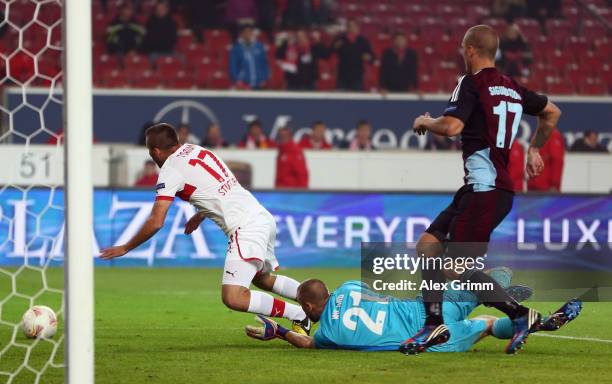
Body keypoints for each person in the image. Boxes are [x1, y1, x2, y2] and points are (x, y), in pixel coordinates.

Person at [409, 25, 562, 354]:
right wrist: (535, 148)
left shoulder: (470, 82)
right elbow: (551, 112)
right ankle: (434, 324)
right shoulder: (512, 88)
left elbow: (451, 126)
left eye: (462, 49)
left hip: (485, 190)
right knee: (428, 246)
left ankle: (519, 315)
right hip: (482, 189)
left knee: (454, 269)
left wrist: (425, 121)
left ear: (470, 50)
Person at [100, 123, 311, 335]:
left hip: (245, 227)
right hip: (260, 216)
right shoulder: (196, 149)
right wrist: (201, 214)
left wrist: (126, 247)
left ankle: (299, 314)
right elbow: (219, 185)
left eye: (149, 151)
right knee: (261, 278)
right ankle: (323, 301)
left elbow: (156, 221)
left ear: (155, 151)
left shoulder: (170, 169)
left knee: (233, 296)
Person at [245, 277, 582, 351]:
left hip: (429, 341)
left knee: (487, 327)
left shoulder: (327, 335)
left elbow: (307, 345)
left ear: (307, 308)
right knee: (485, 283)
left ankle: (533, 323)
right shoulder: (347, 287)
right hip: (430, 309)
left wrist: (279, 331)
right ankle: (513, 301)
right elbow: (376, 296)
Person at [333, 20, 374, 91]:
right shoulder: (340, 39)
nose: (351, 28)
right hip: (342, 75)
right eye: (349, 26)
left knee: (358, 99)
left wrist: (369, 57)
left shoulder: (363, 41)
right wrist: (334, 47)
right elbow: (329, 53)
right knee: (340, 99)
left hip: (357, 76)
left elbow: (372, 57)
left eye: (353, 26)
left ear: (358, 28)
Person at [229, 24, 270, 89]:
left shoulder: (259, 47)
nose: (248, 34)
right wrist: (237, 80)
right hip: (243, 84)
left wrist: (264, 78)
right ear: (241, 34)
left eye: (250, 32)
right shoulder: (236, 49)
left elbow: (265, 64)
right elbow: (233, 66)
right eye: (245, 32)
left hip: (259, 83)